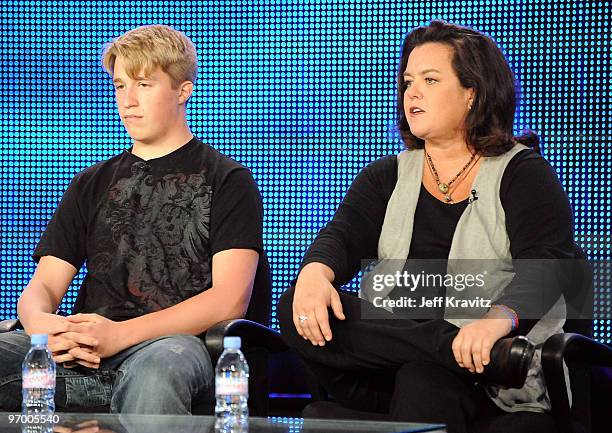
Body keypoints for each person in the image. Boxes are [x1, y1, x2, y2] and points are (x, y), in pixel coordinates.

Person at [278, 20, 579, 432]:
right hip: (386, 367)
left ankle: (445, 352)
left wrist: (495, 322)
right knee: (295, 302)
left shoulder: (523, 173)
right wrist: (316, 272)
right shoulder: (385, 176)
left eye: (430, 80)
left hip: (487, 377)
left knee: (423, 377)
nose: (411, 93)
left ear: (472, 93)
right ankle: (440, 343)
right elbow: (342, 236)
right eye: (407, 82)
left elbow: (550, 265)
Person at [0, 25, 264, 414]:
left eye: (143, 84)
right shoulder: (92, 182)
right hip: (84, 345)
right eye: (121, 86)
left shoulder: (227, 181)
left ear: (182, 91)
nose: (128, 101)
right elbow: (43, 287)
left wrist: (119, 335)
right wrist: (46, 327)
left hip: (169, 343)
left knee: (159, 372)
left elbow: (229, 300)